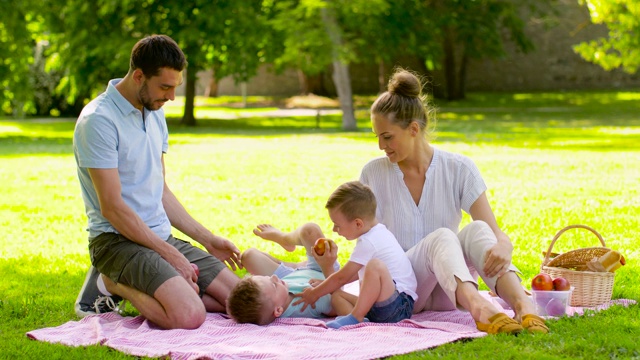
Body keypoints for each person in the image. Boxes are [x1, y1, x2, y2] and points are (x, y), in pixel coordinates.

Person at [358, 68, 548, 334]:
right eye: (377, 137)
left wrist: (504, 244)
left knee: (477, 230)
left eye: (387, 137)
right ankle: (480, 308)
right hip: (401, 291)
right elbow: (365, 242)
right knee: (443, 237)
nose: (381, 146)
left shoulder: (459, 167)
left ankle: (524, 305)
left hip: (449, 290)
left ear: (413, 129)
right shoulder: (373, 173)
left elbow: (491, 231)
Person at [73, 34, 241, 329]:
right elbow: (112, 208)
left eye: (175, 88)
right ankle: (111, 282)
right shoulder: (98, 121)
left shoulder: (154, 112)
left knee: (239, 301)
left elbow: (160, 190)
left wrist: (207, 239)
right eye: (165, 87)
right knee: (189, 316)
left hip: (159, 236)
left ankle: (172, 288)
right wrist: (171, 255)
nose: (171, 97)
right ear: (139, 76)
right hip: (115, 241)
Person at [259, 181, 418, 329]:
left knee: (375, 266)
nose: (335, 230)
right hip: (381, 306)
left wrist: (314, 294)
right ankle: (360, 322)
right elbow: (352, 276)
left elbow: (341, 277)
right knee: (336, 297)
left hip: (398, 305)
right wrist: (326, 284)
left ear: (358, 223)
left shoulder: (370, 241)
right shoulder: (372, 234)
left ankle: (356, 316)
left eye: (337, 225)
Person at [226, 225, 344, 325]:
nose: (274, 277)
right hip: (323, 270)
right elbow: (338, 304)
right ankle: (287, 241)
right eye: (273, 284)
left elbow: (275, 281)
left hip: (291, 277)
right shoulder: (308, 302)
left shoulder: (278, 294)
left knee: (248, 256)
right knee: (309, 230)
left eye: (267, 278)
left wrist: (275, 285)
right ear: (278, 310)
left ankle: (288, 250)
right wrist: (327, 271)